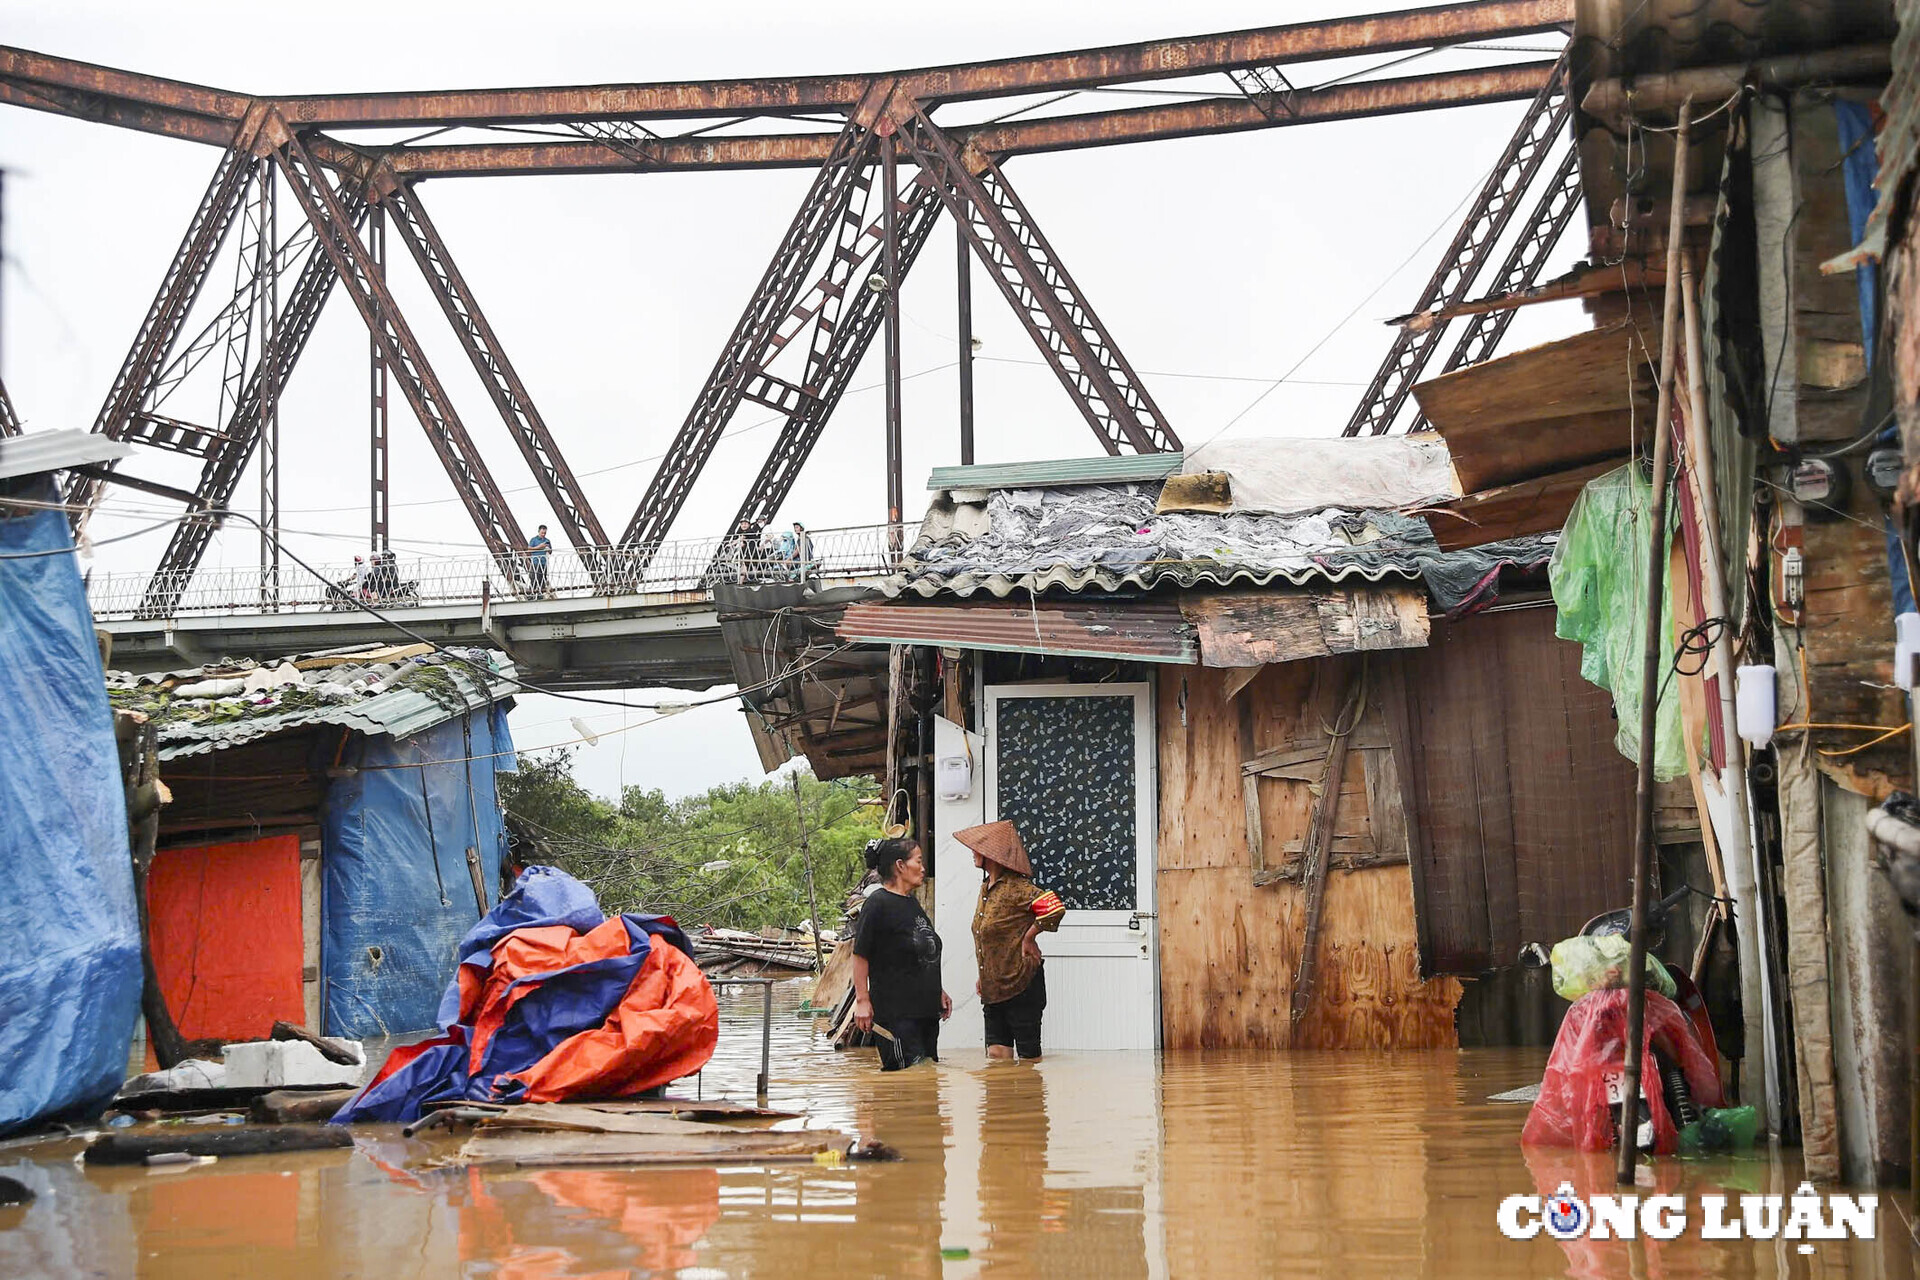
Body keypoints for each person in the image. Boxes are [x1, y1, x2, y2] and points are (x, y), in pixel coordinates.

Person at [956, 821, 1064, 1061]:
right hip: (993, 988)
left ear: (991, 856)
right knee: (996, 1058)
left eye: (978, 849)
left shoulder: (1018, 888)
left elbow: (1054, 908)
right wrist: (985, 974)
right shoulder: (986, 888)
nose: (973, 853)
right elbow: (989, 937)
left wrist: (1030, 936)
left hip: (1021, 984)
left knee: (1029, 1061)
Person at [851, 837, 950, 1070]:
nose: (923, 868)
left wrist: (939, 990)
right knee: (905, 1084)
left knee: (927, 1086)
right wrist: (862, 1000)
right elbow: (860, 954)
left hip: (924, 1014)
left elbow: (921, 951)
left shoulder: (910, 903)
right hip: (897, 1016)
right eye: (918, 861)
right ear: (900, 866)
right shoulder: (877, 904)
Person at [526, 525, 552, 596]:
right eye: (542, 533)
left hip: (544, 562)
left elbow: (550, 552)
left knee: (543, 579)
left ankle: (541, 594)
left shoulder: (547, 541)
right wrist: (539, 547)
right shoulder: (533, 540)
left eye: (545, 533)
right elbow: (529, 549)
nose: (543, 534)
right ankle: (531, 594)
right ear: (539, 531)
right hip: (535, 562)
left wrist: (548, 549)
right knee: (534, 578)